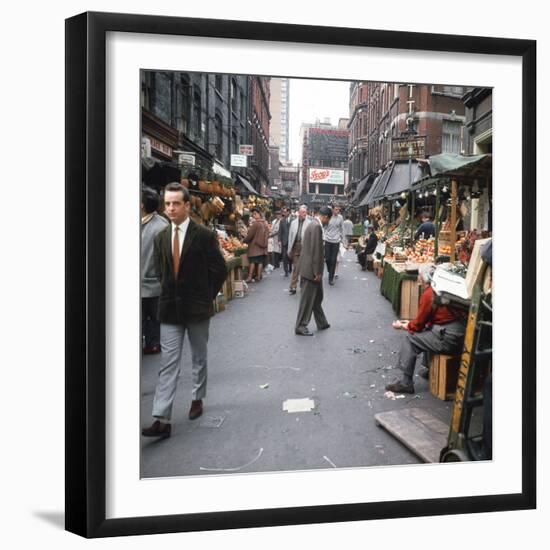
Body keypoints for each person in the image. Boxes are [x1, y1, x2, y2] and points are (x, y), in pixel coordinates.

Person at [141, 182, 227, 439]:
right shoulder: (159, 237)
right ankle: (161, 417)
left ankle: (197, 398)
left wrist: (206, 296)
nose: (171, 208)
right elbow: (159, 272)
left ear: (187, 206)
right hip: (169, 310)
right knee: (168, 363)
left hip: (197, 309)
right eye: (167, 203)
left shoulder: (203, 235)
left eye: (176, 203)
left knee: (198, 357)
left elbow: (220, 269)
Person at [385, 264, 466, 394]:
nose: (418, 279)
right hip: (459, 334)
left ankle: (406, 382)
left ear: (423, 278)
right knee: (427, 332)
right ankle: (429, 369)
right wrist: (411, 323)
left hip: (448, 338)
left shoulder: (429, 293)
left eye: (419, 276)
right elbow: (426, 321)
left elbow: (418, 325)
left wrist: (403, 326)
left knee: (410, 339)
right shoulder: (444, 288)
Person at [295, 206, 332, 336]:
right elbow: (316, 251)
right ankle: (300, 326)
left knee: (317, 297)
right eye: (328, 219)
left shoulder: (313, 224)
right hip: (311, 270)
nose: (328, 222)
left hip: (309, 268)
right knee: (307, 300)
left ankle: (321, 322)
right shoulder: (316, 227)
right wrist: (317, 272)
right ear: (325, 217)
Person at [141, 186, 169, 354]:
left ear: (142, 205)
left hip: (152, 281)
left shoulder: (161, 226)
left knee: (153, 316)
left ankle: (153, 343)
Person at [287, 205, 311, 295]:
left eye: (306, 212)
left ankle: (302, 286)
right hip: (296, 247)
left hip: (305, 248)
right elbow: (290, 237)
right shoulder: (293, 223)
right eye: (303, 212)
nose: (305, 214)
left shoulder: (309, 223)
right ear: (299, 213)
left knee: (304, 268)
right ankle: (293, 286)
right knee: (296, 268)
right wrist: (289, 250)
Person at [243, 208, 269, 282]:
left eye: (255, 214)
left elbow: (250, 235)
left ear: (258, 214)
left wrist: (244, 240)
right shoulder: (265, 223)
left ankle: (250, 277)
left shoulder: (256, 224)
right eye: (253, 214)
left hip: (255, 246)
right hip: (263, 246)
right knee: (260, 261)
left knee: (252, 261)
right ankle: (258, 275)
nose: (253, 216)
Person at [323, 204, 344, 285]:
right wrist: (323, 238)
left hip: (336, 241)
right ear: (332, 209)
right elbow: (324, 227)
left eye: (338, 209)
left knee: (333, 259)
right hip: (328, 240)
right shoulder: (328, 216)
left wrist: (343, 240)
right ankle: (329, 270)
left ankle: (330, 278)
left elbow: (342, 228)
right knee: (327, 259)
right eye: (336, 209)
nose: (337, 211)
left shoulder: (340, 218)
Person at [278, 207, 292, 277]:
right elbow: (280, 231)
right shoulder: (282, 221)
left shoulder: (293, 220)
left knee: (290, 256)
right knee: (284, 256)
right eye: (283, 212)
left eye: (285, 212)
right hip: (284, 241)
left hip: (291, 241)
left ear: (289, 212)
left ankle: (290, 266)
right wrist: (279, 240)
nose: (284, 213)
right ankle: (286, 271)